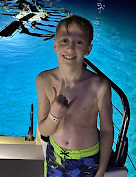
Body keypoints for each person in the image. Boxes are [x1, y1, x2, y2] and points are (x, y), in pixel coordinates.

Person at [36, 15, 114, 177]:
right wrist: (55, 115)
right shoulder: (44, 79)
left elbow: (107, 130)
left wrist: (101, 170)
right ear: (55, 44)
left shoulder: (99, 85)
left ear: (88, 49)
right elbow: (43, 130)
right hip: (55, 156)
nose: (70, 48)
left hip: (87, 158)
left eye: (79, 42)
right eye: (64, 40)